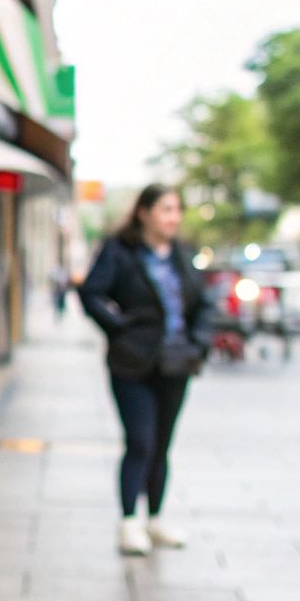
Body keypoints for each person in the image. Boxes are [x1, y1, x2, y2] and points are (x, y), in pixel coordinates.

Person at [78, 184, 214, 556]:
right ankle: (129, 521)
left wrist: (198, 343)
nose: (173, 217)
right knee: (140, 440)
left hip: (176, 362)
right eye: (166, 209)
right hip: (132, 363)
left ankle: (155, 518)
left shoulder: (182, 255)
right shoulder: (120, 251)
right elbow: (91, 293)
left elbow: (203, 303)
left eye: (177, 210)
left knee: (162, 444)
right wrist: (118, 329)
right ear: (144, 213)